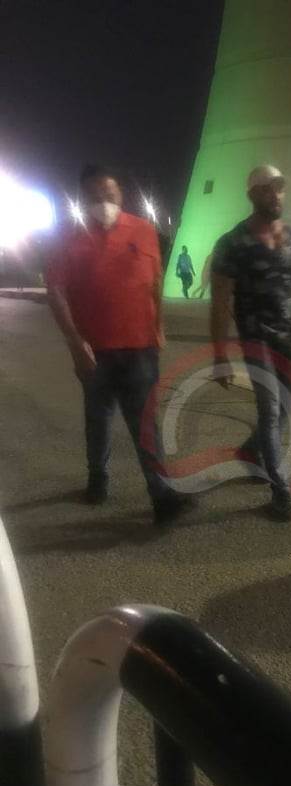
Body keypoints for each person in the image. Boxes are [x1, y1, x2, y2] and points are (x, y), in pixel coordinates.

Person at [47, 164, 195, 526]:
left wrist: (159, 328)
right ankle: (97, 478)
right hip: (94, 352)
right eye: (94, 196)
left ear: (121, 195)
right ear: (82, 198)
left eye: (109, 195)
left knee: (145, 424)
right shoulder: (68, 237)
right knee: (98, 420)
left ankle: (161, 496)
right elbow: (56, 290)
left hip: (141, 350)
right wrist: (75, 342)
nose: (103, 202)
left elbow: (155, 282)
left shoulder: (144, 231)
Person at [210, 165, 291, 521]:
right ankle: (281, 491)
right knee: (269, 413)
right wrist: (220, 354)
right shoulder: (232, 244)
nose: (275, 195)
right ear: (252, 194)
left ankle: (250, 452)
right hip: (256, 341)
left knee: (284, 410)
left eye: (279, 188)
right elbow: (220, 301)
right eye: (267, 189)